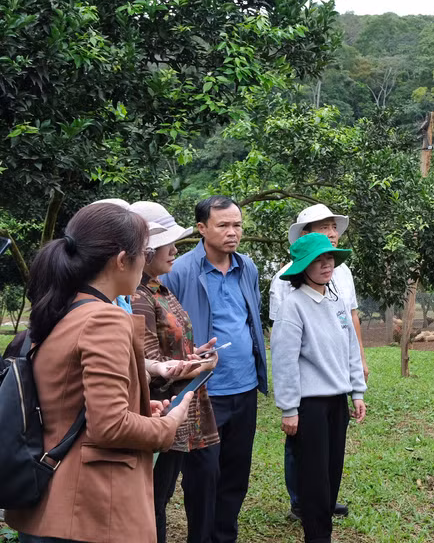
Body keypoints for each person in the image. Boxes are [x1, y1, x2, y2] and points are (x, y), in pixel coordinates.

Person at [5, 203, 193, 543]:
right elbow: (109, 426)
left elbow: (67, 401)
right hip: (90, 512)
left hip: (49, 503)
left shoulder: (61, 309)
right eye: (145, 252)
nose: (146, 261)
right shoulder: (104, 319)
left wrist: (139, 410)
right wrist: (167, 426)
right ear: (122, 260)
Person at [160, 195, 267, 543]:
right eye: (223, 225)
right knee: (203, 476)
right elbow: (164, 329)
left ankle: (225, 536)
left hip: (244, 387)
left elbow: (251, 319)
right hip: (203, 391)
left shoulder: (246, 267)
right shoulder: (180, 272)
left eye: (237, 225)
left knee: (236, 473)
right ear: (202, 228)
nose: (232, 232)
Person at [130, 201, 222, 543]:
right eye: (167, 243)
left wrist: (194, 355)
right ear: (146, 250)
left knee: (168, 492)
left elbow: (165, 351)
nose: (174, 249)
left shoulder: (159, 287)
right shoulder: (139, 296)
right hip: (162, 407)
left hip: (180, 404)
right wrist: (200, 365)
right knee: (155, 498)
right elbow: (147, 363)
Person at [269, 203, 368, 519]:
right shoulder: (285, 280)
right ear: (304, 236)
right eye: (323, 227)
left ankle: (323, 498)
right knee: (301, 445)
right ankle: (301, 500)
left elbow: (350, 319)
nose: (332, 233)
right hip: (306, 387)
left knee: (331, 447)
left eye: (333, 226)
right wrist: (289, 403)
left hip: (336, 378)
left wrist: (358, 368)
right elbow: (284, 343)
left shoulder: (343, 272)